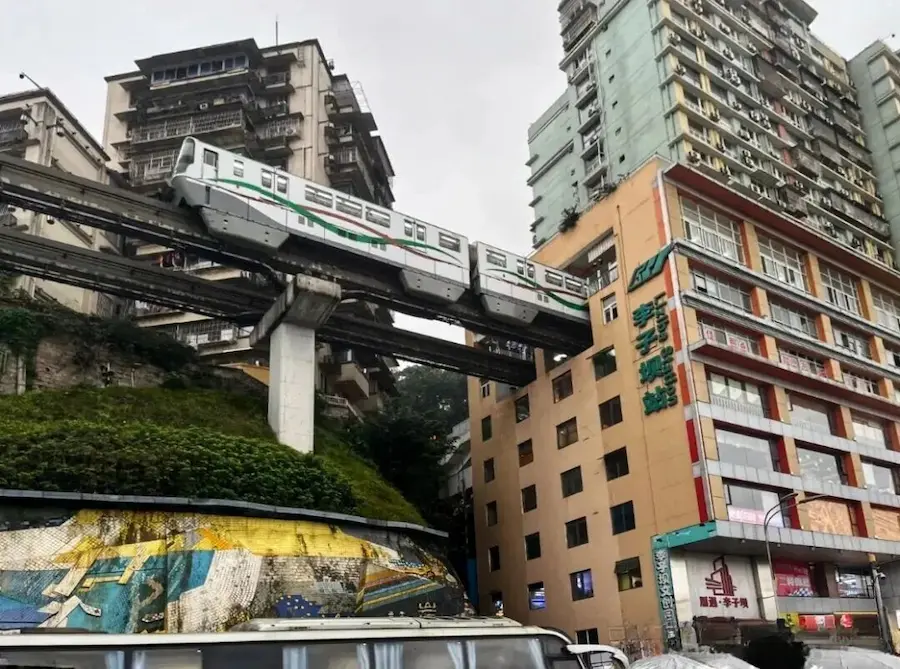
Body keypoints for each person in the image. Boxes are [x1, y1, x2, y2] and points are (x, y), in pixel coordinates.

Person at [743, 634, 808, 669]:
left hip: (754, 651)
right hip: (753, 662)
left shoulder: (783, 645)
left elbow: (770, 641)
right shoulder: (794, 664)